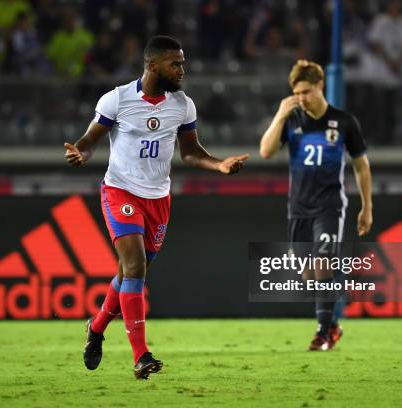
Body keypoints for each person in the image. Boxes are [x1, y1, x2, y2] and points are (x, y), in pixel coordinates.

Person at [64, 35, 249, 379]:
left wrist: (220, 165)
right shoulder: (117, 99)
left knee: (127, 273)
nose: (182, 70)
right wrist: (79, 153)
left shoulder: (182, 105)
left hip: (158, 200)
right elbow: (88, 142)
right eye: (175, 63)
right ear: (152, 65)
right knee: (134, 267)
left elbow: (191, 152)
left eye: (182, 63)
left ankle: (97, 326)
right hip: (120, 192)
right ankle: (141, 355)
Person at [259, 59, 372, 351]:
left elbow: (361, 165)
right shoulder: (293, 119)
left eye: (307, 92)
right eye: (297, 93)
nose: (302, 98)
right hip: (298, 207)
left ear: (321, 86)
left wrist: (366, 207)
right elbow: (266, 151)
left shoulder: (344, 122)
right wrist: (280, 115)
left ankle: (322, 332)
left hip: (329, 205)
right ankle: (333, 326)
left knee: (324, 264)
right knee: (308, 274)